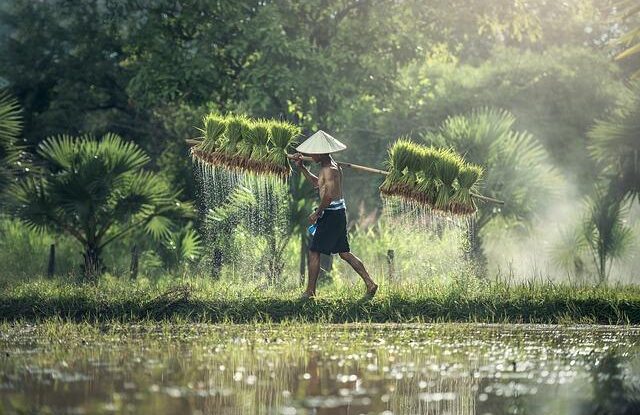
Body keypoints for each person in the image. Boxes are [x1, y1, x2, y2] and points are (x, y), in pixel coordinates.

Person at [292, 130, 378, 300]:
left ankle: (310, 292)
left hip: (331, 214)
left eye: (314, 152)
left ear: (322, 152)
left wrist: (317, 213)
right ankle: (370, 283)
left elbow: (328, 197)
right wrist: (302, 167)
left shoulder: (330, 169)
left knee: (314, 251)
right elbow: (318, 184)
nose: (311, 154)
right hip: (337, 213)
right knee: (344, 253)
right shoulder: (329, 167)